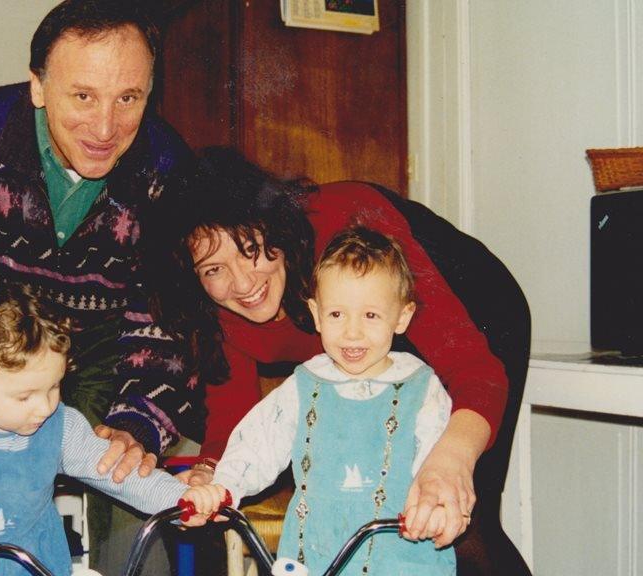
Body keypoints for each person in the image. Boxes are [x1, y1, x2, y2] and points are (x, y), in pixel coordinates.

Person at [0, 1, 204, 569]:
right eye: (83, 96)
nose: (105, 128)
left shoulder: (166, 174)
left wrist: (137, 426)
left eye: (128, 98)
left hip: (106, 346)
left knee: (129, 494)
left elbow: (166, 324)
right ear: (37, 86)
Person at [147, 147, 532, 574]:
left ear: (273, 228)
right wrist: (208, 476)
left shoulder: (346, 221)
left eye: (251, 249)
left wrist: (453, 459)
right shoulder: (217, 307)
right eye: (213, 269)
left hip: (472, 311)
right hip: (368, 344)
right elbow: (234, 417)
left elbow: (472, 368)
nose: (242, 283)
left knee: (456, 517)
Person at [0, 284, 220, 575]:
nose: (46, 406)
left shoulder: (59, 425)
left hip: (20, 558)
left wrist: (176, 495)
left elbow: (117, 471)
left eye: (54, 387)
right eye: (24, 396)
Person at [203, 226, 457, 573]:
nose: (352, 332)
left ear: (402, 317)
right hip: (316, 555)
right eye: (337, 314)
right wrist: (222, 488)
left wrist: (436, 508)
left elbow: (438, 466)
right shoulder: (304, 385)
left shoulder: (421, 389)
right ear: (317, 313)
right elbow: (257, 445)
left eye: (370, 315)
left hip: (401, 559)